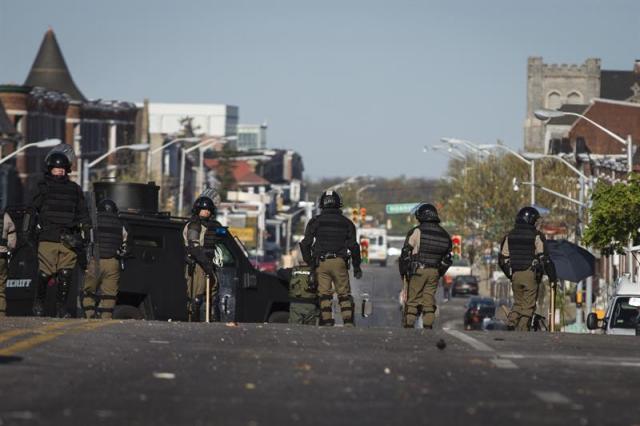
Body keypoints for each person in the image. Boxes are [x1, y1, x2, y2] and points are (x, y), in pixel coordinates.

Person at [32, 147, 91, 318]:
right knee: (45, 273)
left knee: (66, 274)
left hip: (69, 238)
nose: (59, 171)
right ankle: (39, 302)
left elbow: (83, 213)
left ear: (67, 170)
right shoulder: (42, 187)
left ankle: (61, 308)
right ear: (50, 169)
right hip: (48, 236)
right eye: (56, 169)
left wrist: (86, 231)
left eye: (62, 169)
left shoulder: (74, 189)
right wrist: (30, 234)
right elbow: (31, 211)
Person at [299, 190, 362, 327]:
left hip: (321, 262)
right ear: (339, 204)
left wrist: (310, 261)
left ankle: (327, 323)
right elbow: (354, 247)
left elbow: (305, 244)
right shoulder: (347, 223)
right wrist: (357, 267)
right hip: (339, 262)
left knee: (324, 295)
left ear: (322, 204)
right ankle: (348, 323)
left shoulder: (315, 221)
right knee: (344, 294)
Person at [498, 206, 557, 331]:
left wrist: (510, 274)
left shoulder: (510, 235)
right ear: (530, 220)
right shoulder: (536, 236)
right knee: (528, 306)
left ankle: (511, 322)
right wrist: (552, 277)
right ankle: (522, 330)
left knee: (518, 303)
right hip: (530, 274)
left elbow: (503, 258)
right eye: (535, 220)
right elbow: (544, 258)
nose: (536, 223)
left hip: (515, 274)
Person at [399, 203, 452, 329]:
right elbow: (448, 258)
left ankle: (409, 327)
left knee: (413, 302)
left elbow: (406, 252)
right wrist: (439, 273)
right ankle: (428, 327)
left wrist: (404, 271)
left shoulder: (417, 231)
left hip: (418, 270)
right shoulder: (445, 234)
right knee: (429, 302)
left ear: (421, 216)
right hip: (434, 272)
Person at [82, 199, 128, 319]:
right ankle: (105, 320)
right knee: (109, 295)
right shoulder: (120, 223)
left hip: (95, 260)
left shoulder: (93, 221)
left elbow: (85, 238)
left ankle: (90, 316)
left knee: (89, 292)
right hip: (113, 262)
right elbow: (126, 245)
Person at [183, 195, 224, 322]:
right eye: (204, 209)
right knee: (196, 297)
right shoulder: (194, 225)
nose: (207, 211)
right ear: (197, 210)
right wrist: (205, 263)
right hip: (197, 265)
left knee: (213, 291)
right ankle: (192, 322)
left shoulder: (209, 226)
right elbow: (194, 246)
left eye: (209, 210)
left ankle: (210, 320)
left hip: (207, 264)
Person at [280, 249, 319, 325]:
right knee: (311, 331)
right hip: (311, 305)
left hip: (295, 305)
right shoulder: (315, 272)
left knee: (294, 330)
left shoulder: (292, 271)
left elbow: (280, 272)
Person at [0, 210, 17, 317]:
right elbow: (12, 243)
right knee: (1, 286)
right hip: (1, 255)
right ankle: (1, 313)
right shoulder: (5, 216)